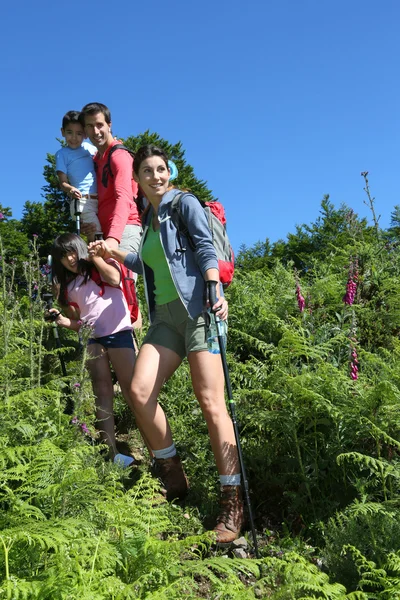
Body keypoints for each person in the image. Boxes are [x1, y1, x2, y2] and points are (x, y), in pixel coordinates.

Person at [89, 144, 244, 543]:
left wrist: (214, 287)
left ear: (168, 172)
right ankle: (172, 474)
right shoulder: (151, 220)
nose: (156, 176)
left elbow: (206, 246)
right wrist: (114, 252)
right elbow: (146, 265)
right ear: (137, 180)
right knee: (138, 391)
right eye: (147, 171)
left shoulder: (183, 203)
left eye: (161, 169)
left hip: (200, 312)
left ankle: (232, 499)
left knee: (211, 402)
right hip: (166, 320)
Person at [47, 232, 137, 467]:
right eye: (63, 256)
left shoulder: (102, 264)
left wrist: (95, 257)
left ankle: (157, 451)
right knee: (102, 391)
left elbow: (115, 279)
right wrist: (63, 320)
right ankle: (112, 453)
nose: (70, 258)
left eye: (72, 251)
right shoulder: (67, 286)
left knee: (133, 390)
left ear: (80, 248)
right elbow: (77, 321)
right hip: (92, 339)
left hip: (119, 333)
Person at [55, 111, 102, 240]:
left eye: (79, 133)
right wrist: (70, 189)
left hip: (100, 199)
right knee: (97, 236)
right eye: (69, 132)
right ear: (62, 132)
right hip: (82, 201)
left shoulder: (90, 148)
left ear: (85, 134)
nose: (74, 138)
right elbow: (62, 182)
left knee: (106, 233)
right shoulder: (62, 154)